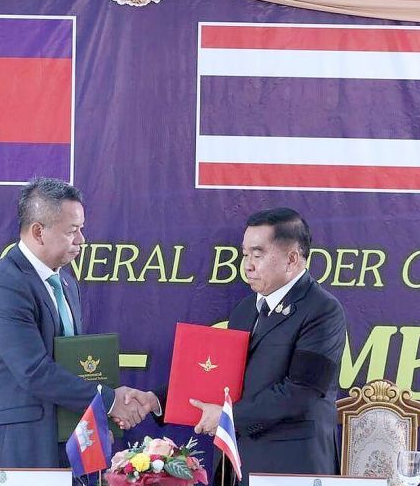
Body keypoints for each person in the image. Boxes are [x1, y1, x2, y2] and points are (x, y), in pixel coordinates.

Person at [131, 207, 346, 485]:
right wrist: (157, 400)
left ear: (292, 259)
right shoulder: (246, 309)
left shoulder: (323, 310)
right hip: (237, 462)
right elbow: (219, 376)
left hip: (291, 465)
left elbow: (302, 392)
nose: (247, 265)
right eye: (245, 255)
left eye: (258, 255)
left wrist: (227, 417)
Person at [0, 177, 148, 468]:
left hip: (57, 445)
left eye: (81, 229)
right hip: (12, 450)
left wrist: (95, 421)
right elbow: (34, 371)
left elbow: (71, 367)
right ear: (39, 232)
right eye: (72, 231)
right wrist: (108, 402)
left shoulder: (67, 284)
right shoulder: (6, 286)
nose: (81, 240)